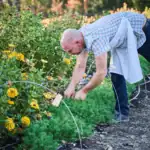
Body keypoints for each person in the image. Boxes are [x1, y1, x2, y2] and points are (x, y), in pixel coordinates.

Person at [60, 11, 150, 122]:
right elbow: (80, 66)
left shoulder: (97, 38)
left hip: (141, 29)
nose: (70, 54)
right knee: (116, 75)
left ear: (77, 42)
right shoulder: (82, 36)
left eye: (70, 50)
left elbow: (101, 72)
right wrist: (71, 86)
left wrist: (84, 91)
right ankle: (122, 114)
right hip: (121, 37)